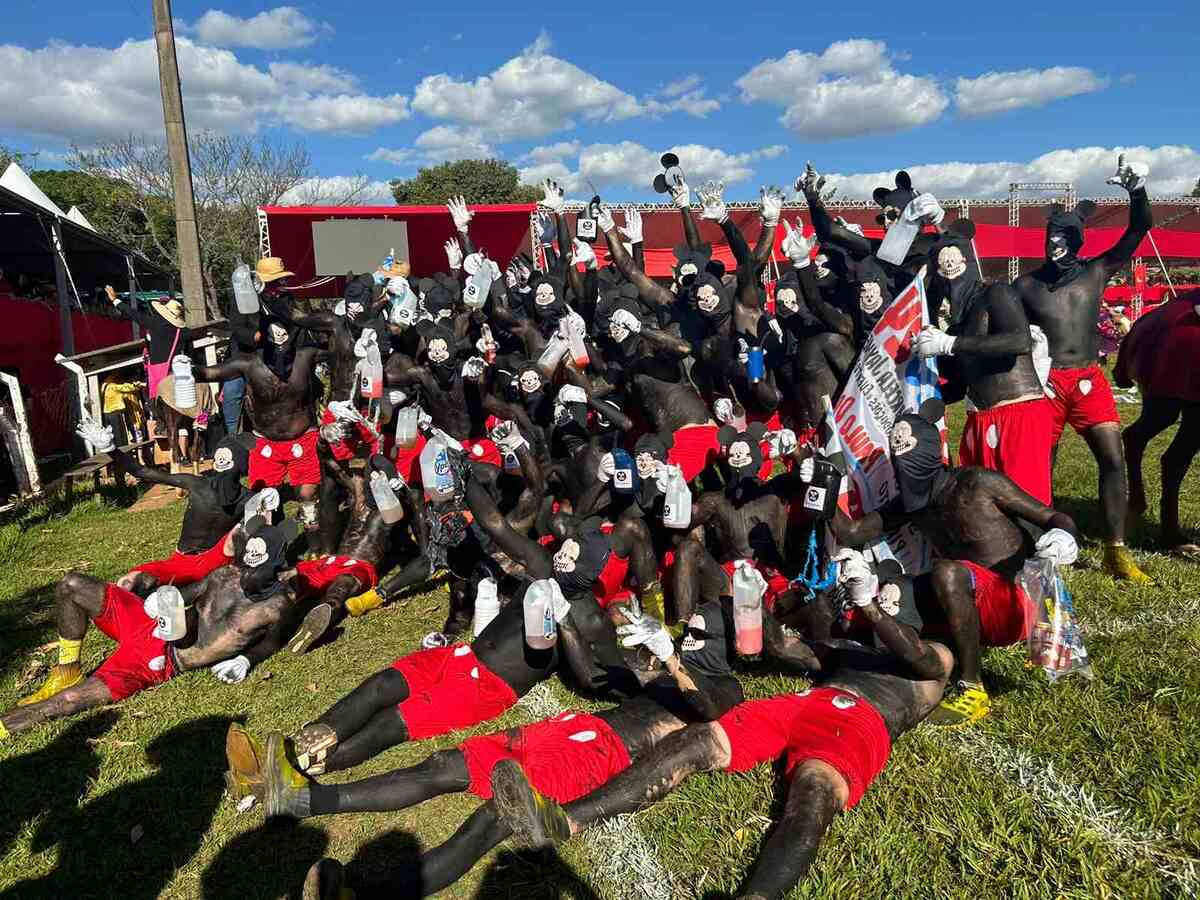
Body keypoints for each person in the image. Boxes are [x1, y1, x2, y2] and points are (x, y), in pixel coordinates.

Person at [486, 574, 953, 900]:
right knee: (695, 740)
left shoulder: (935, 657)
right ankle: (564, 821)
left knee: (813, 793)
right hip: (805, 703)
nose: (880, 608)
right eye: (879, 599)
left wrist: (872, 605)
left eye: (892, 601)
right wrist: (752, 601)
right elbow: (784, 648)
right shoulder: (850, 649)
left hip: (861, 721)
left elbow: (914, 655)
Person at [248, 599, 743, 897]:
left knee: (491, 820)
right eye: (690, 627)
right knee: (442, 766)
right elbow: (600, 678)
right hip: (570, 728)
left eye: (701, 629)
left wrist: (674, 660)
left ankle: (366, 894)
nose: (690, 631)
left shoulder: (724, 685)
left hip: (602, 753)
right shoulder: (667, 664)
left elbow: (703, 712)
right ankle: (301, 799)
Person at [831, 402, 1080, 724]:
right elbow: (851, 533)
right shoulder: (912, 505)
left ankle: (972, 686)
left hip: (1014, 603)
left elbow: (1051, 515)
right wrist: (818, 481)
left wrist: (1064, 536)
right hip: (966, 603)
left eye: (908, 449)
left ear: (930, 452)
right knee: (890, 597)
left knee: (947, 571)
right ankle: (916, 669)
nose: (902, 460)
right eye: (897, 452)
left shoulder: (977, 483)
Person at [1, 516, 303, 739]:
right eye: (245, 562)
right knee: (72, 585)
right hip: (147, 622)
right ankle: (67, 670)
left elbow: (273, 643)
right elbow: (186, 594)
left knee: (68, 700)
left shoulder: (276, 608)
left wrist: (245, 659)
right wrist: (157, 602)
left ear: (276, 565)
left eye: (255, 566)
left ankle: (3, 727)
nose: (245, 572)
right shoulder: (226, 573)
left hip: (162, 660)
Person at [1012, 155, 1152, 582]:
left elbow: (1138, 228)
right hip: (1047, 382)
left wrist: (1137, 191)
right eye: (1050, 236)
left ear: (1076, 242)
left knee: (1112, 459)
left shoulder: (1096, 272)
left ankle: (1115, 550)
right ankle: (1039, 546)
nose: (1053, 243)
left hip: (1089, 379)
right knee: (1039, 468)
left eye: (1062, 237)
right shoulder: (1026, 285)